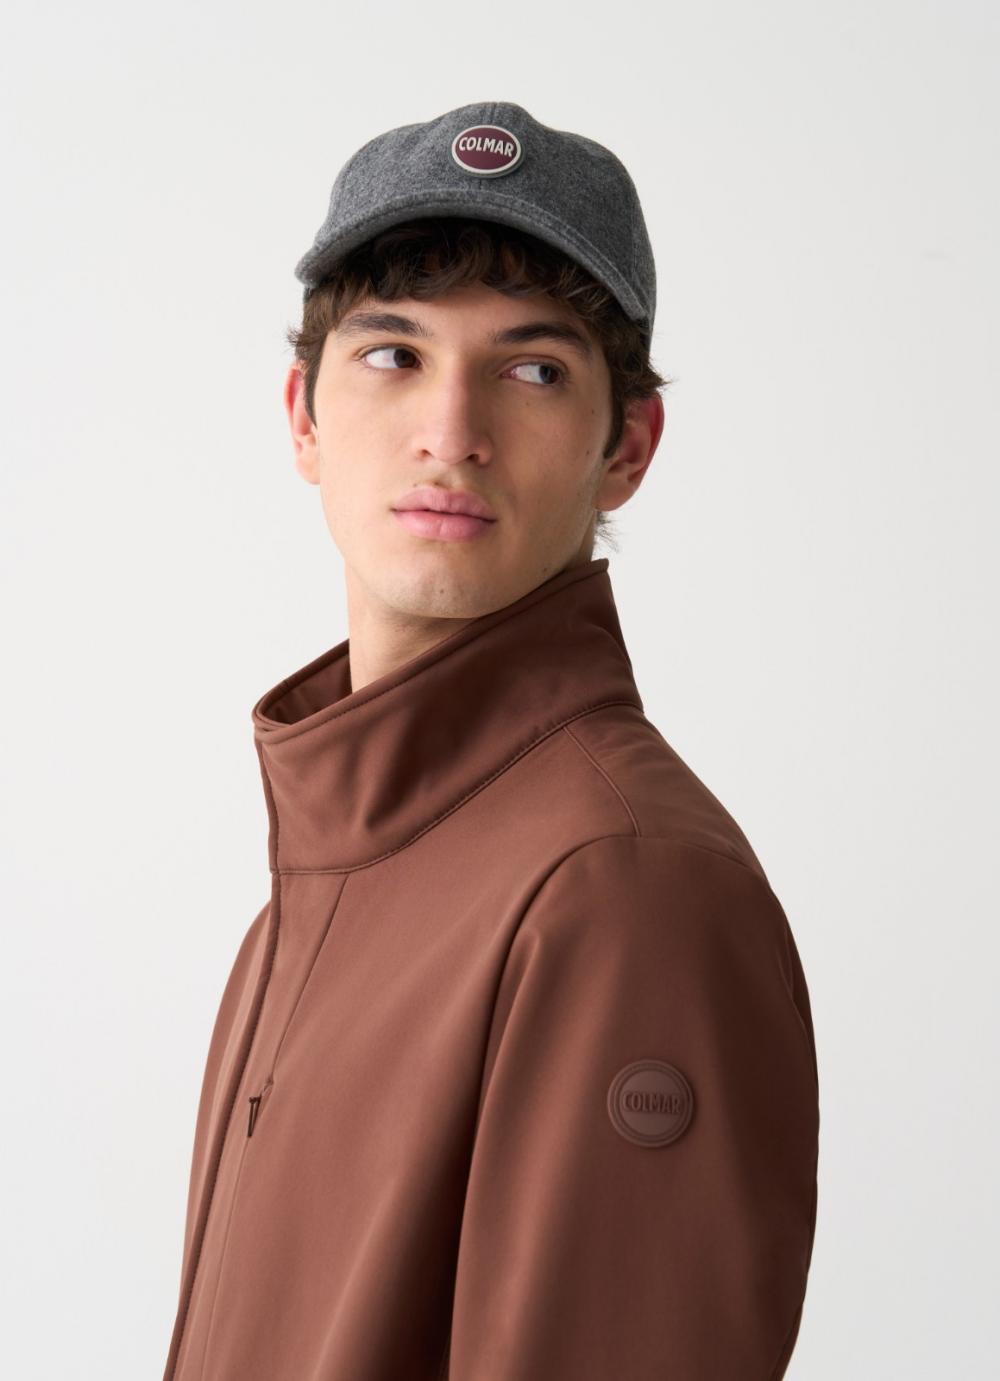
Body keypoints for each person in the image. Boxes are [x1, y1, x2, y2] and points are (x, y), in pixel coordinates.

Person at [161, 100, 820, 1381]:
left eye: (532, 371)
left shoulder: (625, 889)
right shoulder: (324, 877)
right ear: (302, 416)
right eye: (392, 353)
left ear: (626, 446)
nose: (450, 430)